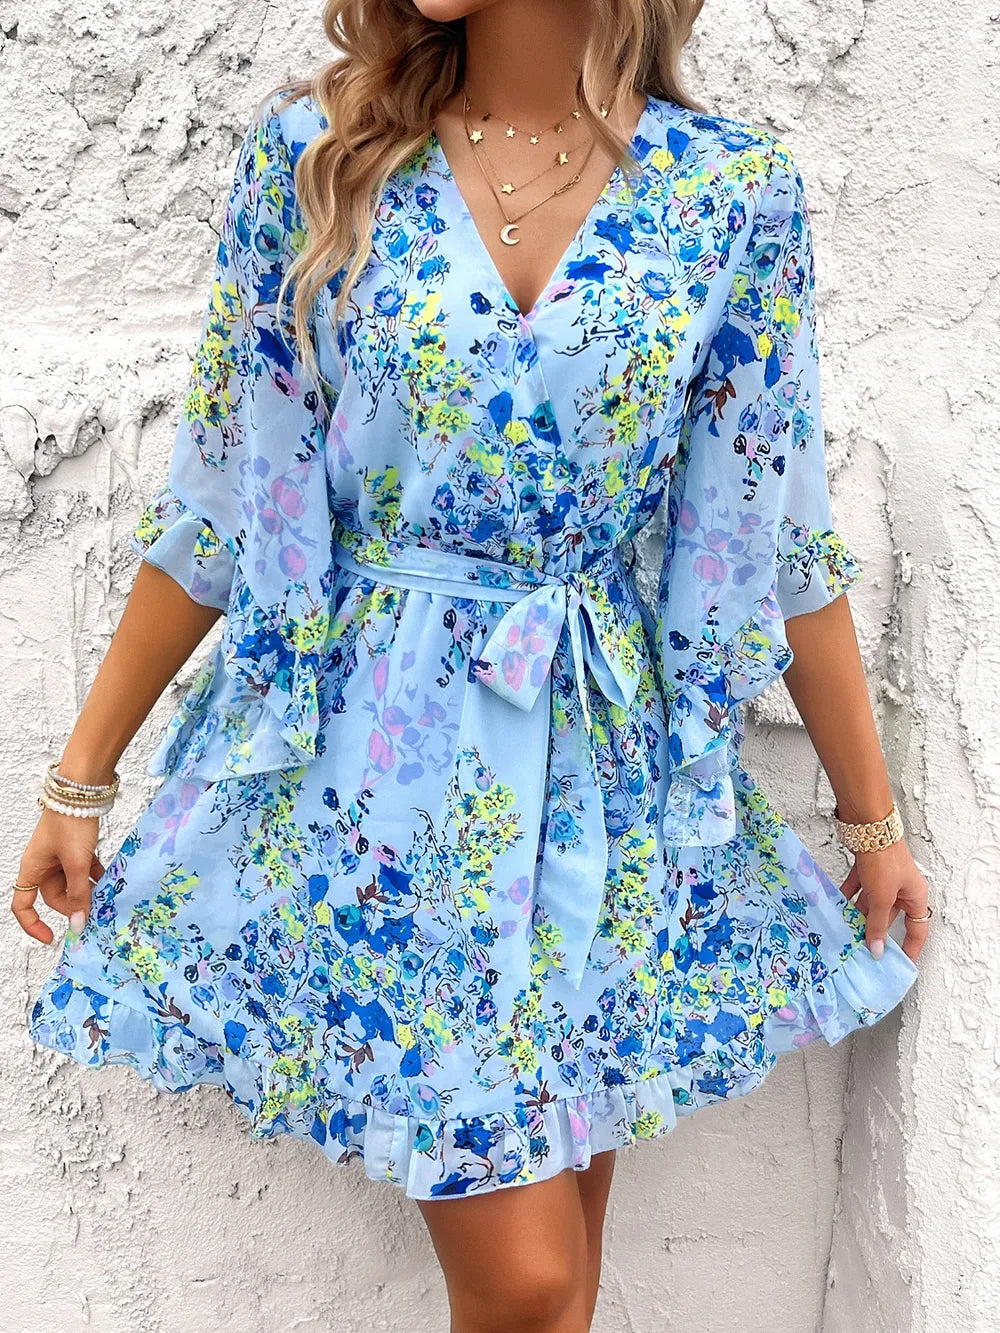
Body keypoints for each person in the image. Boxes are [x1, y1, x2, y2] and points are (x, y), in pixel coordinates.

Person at [15, 2, 933, 1329]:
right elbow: (224, 508)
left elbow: (777, 534)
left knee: (559, 1281)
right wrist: (82, 777)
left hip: (599, 781)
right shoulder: (320, 162)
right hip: (382, 781)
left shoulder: (729, 195)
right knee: (531, 1279)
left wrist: (872, 817)